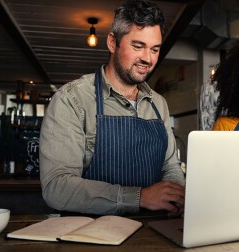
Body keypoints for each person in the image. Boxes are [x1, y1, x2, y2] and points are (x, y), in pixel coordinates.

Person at [39, 0, 184, 216]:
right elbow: (56, 187)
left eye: (155, 49)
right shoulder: (72, 99)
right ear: (112, 42)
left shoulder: (158, 103)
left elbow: (170, 167)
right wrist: (139, 197)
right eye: (138, 46)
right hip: (89, 234)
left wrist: (178, 198)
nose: (147, 58)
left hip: (152, 232)